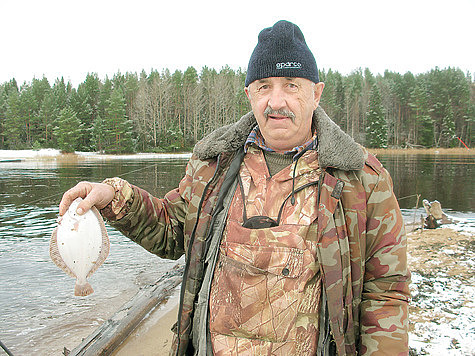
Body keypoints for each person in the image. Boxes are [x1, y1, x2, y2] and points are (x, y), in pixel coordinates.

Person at [59, 20, 410, 356]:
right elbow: (172, 230)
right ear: (248, 94)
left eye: (291, 85)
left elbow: (386, 292)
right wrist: (114, 197)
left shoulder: (361, 178)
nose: (276, 102)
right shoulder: (213, 164)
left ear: (315, 93)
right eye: (263, 87)